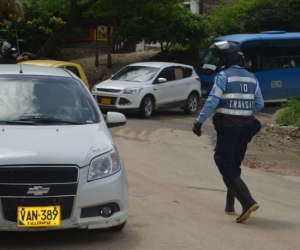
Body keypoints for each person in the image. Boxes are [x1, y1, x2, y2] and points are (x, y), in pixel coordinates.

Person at [192, 41, 264, 223]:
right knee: (234, 164)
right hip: (246, 127)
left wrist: (199, 122)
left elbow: (212, 101)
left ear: (226, 59)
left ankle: (248, 202)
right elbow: (259, 104)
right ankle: (230, 206)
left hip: (229, 127)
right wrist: (243, 113)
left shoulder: (223, 75)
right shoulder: (251, 77)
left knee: (223, 161)